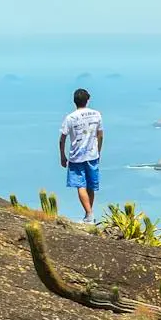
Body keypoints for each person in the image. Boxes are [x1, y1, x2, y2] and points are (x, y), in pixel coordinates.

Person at [58, 88, 105, 224]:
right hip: (92, 155)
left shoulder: (70, 118)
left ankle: (89, 214)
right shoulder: (96, 115)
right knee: (90, 185)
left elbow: (62, 138)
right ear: (87, 100)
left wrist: (62, 155)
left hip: (76, 157)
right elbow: (100, 135)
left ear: (74, 101)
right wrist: (99, 151)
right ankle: (89, 214)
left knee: (81, 186)